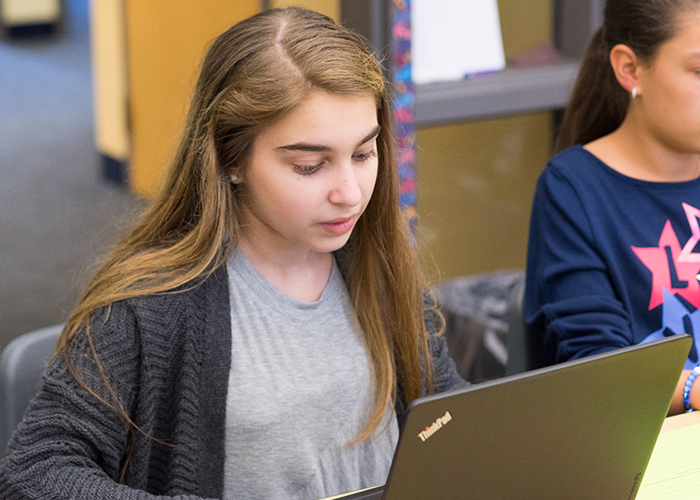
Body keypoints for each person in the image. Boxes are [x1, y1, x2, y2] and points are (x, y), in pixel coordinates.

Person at [0, 8, 466, 500]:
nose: (350, 192)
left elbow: (448, 416)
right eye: (310, 166)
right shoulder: (150, 307)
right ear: (230, 158)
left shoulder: (376, 264)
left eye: (363, 154)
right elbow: (34, 474)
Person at [525, 0, 700, 415]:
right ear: (629, 68)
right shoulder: (573, 190)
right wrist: (693, 387)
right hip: (645, 455)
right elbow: (600, 369)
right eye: (699, 70)